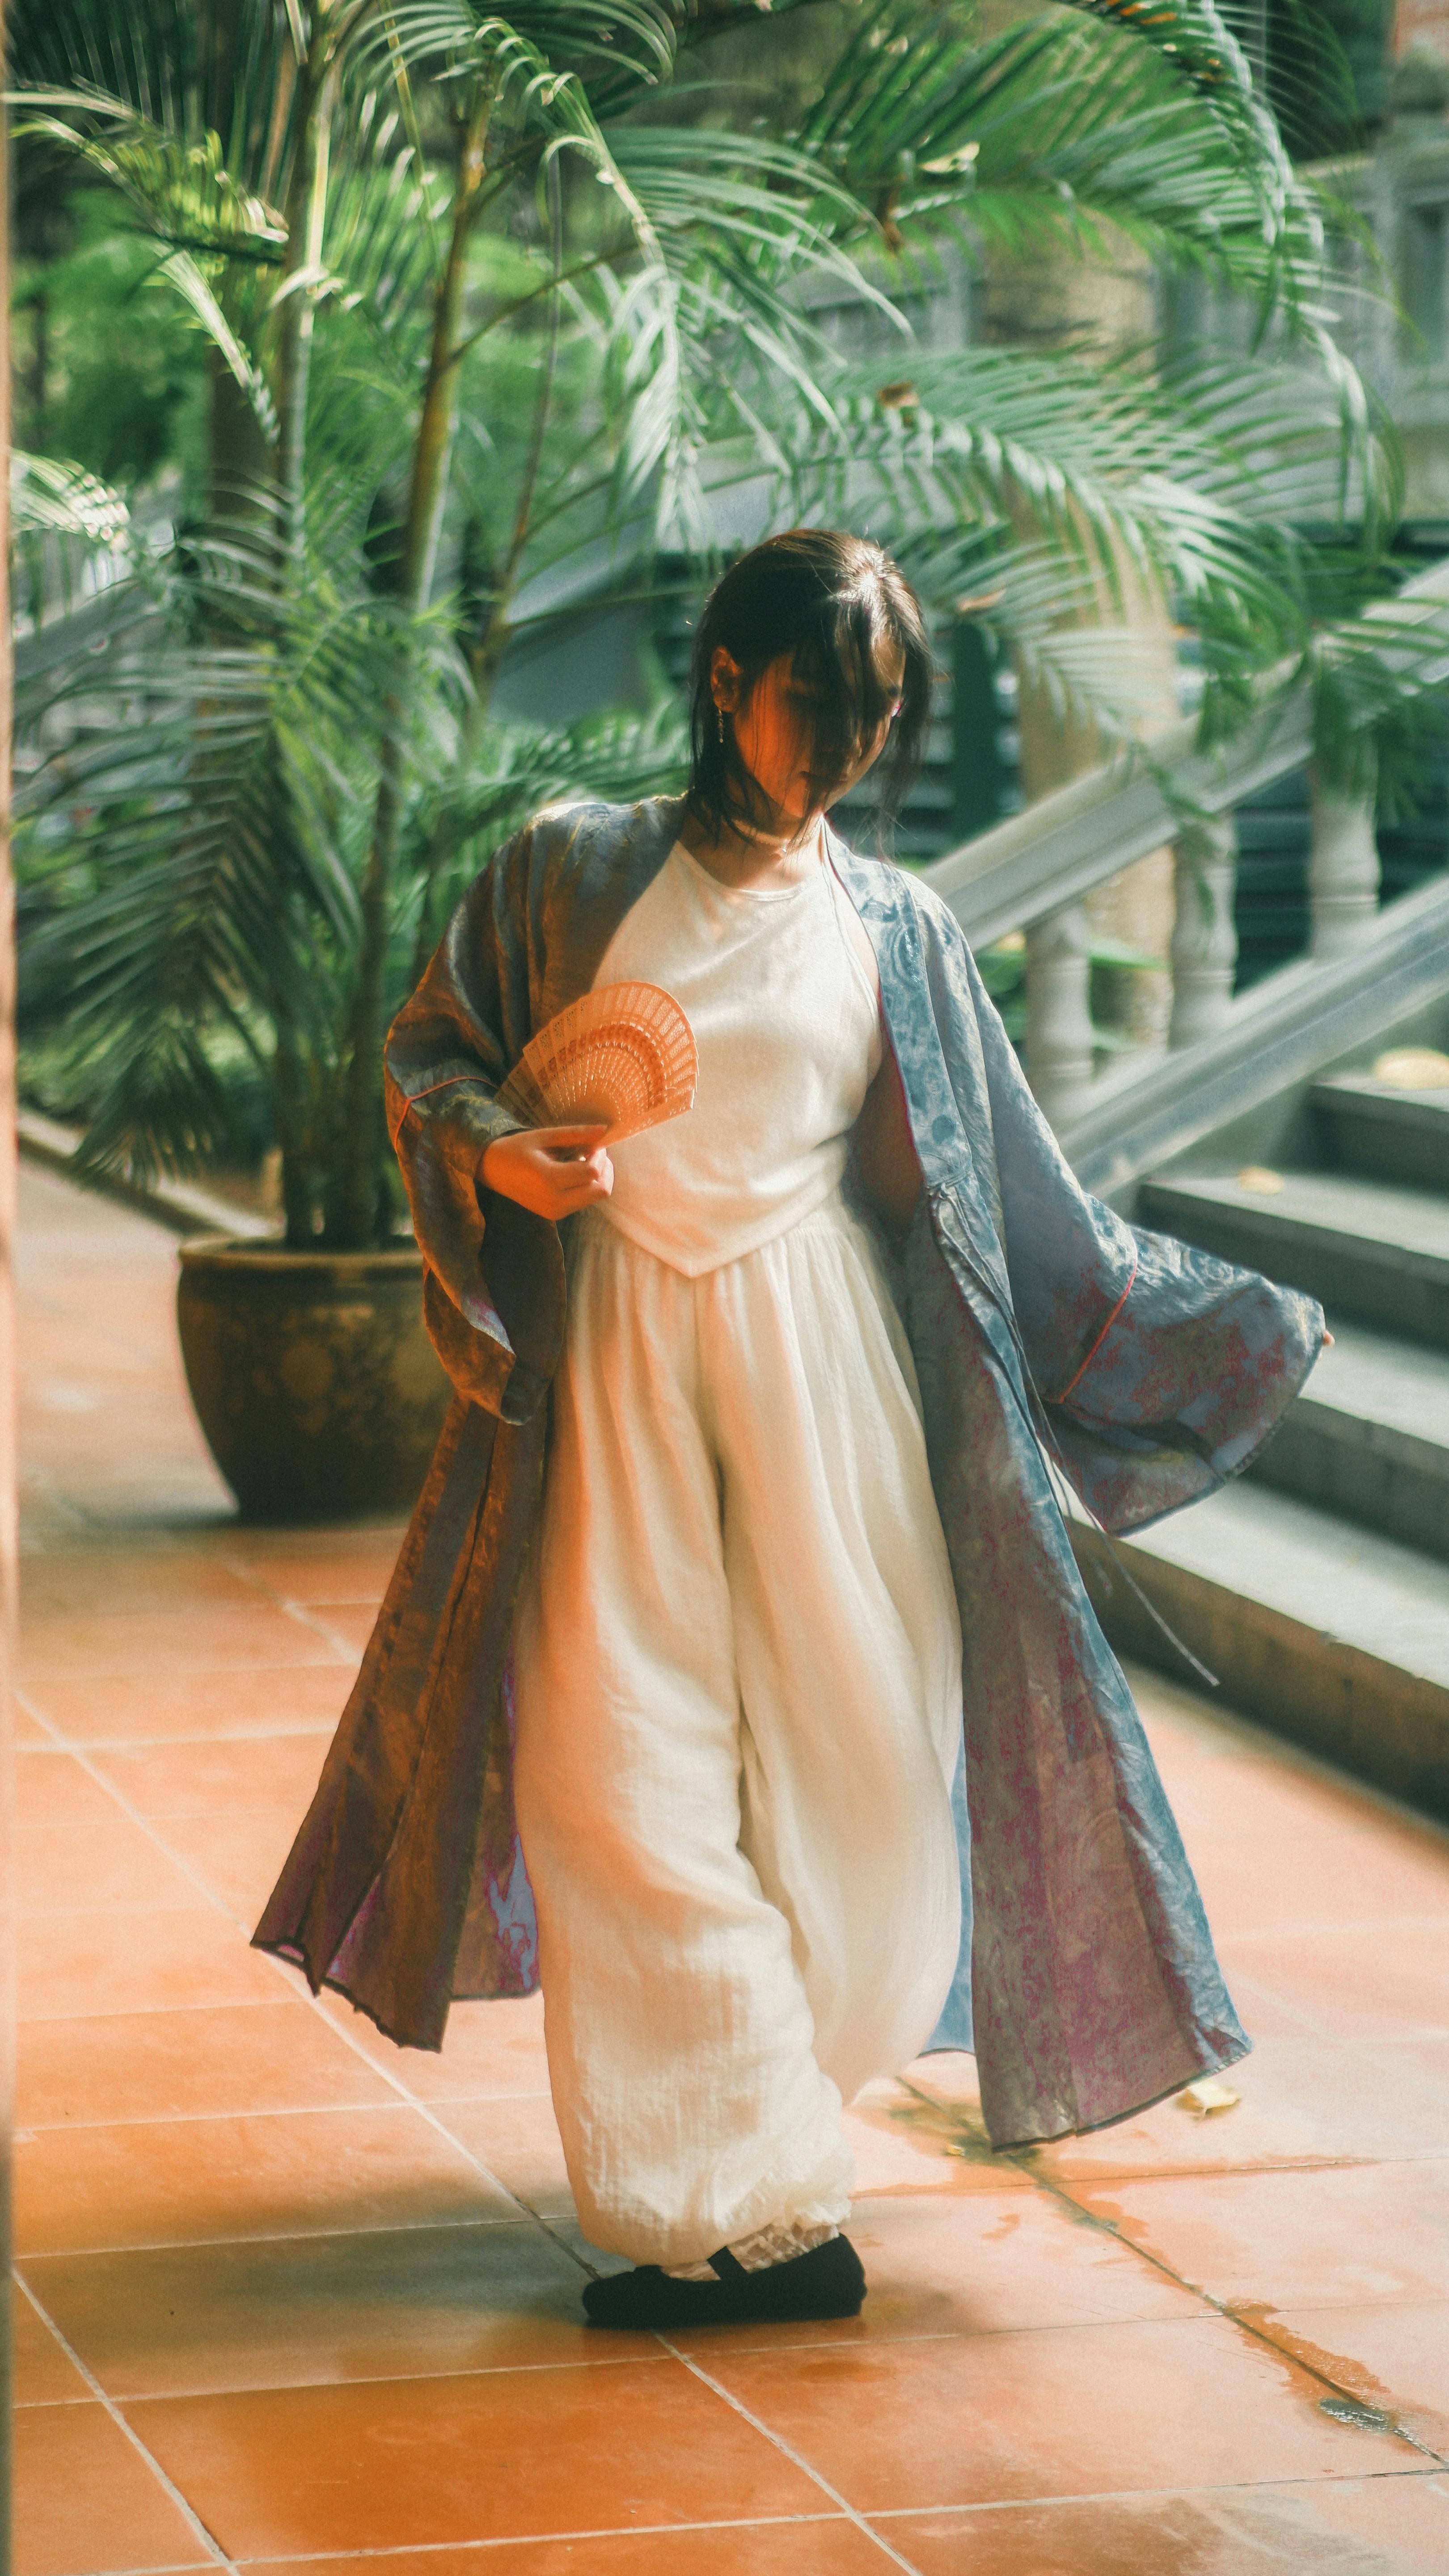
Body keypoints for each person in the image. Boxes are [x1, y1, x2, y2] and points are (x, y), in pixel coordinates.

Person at [256, 528, 1324, 2333]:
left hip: (822, 1365)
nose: (845, 742)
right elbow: (430, 1052)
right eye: (815, 698)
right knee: (612, 1771)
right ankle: (722, 2204)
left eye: (880, 708)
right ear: (726, 683)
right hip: (610, 1364)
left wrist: (1203, 1334)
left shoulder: (892, 928)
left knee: (866, 1784)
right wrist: (498, 1150)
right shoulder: (564, 877)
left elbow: (998, 1203)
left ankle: (767, 2099)